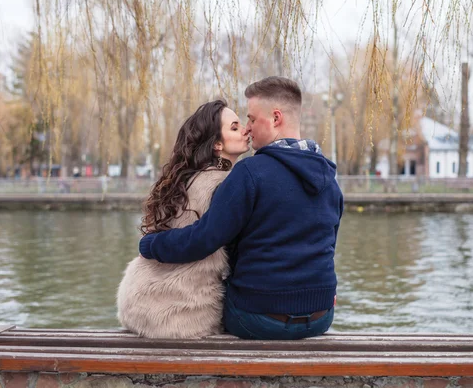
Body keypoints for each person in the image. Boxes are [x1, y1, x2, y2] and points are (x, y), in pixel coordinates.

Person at [139, 76, 344, 340]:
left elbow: (204, 238)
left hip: (259, 319)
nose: (248, 128)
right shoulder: (329, 178)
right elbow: (329, 245)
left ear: (275, 118)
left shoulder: (250, 172)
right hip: (321, 316)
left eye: (251, 119)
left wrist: (151, 245)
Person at [117, 99, 250, 339]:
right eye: (234, 127)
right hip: (184, 312)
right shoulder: (225, 184)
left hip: (138, 301)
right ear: (217, 144)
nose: (245, 130)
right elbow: (206, 241)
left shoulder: (184, 180)